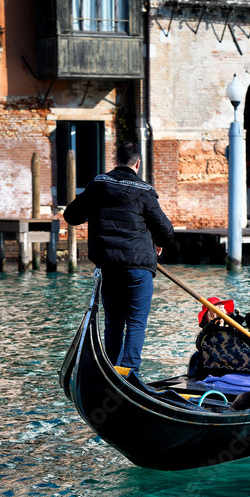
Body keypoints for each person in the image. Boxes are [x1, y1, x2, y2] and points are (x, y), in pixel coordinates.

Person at [63, 141, 175, 372]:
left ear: (115, 161)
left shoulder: (98, 185)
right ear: (138, 163)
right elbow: (166, 232)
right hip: (138, 267)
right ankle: (128, 371)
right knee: (135, 321)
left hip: (110, 267)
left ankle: (111, 370)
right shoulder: (144, 192)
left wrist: (94, 210)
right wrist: (159, 244)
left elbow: (72, 216)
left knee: (113, 322)